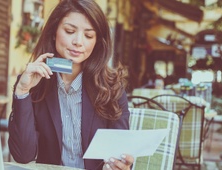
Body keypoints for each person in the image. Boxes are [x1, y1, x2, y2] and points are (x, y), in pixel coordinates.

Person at [8, 0, 134, 169]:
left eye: (88, 35)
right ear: (54, 32)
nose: (78, 41)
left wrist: (118, 165)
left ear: (97, 42)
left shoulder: (112, 88)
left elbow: (121, 154)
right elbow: (23, 156)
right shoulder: (33, 84)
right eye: (69, 31)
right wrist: (22, 91)